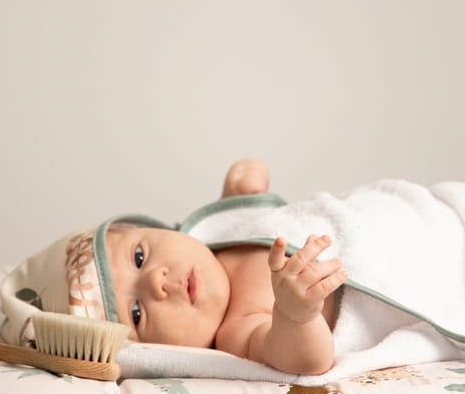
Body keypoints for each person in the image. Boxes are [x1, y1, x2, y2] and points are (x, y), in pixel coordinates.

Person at [105, 158, 348, 376]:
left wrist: (239, 193)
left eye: (138, 257)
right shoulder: (236, 330)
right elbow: (305, 361)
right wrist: (296, 315)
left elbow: (243, 210)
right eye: (136, 313)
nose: (156, 280)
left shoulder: (214, 235)